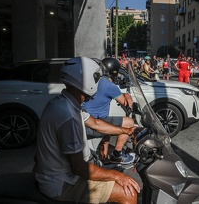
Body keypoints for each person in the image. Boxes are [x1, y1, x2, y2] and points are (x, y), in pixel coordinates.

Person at [35, 57, 140, 204]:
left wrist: (126, 131)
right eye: (96, 79)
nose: (99, 82)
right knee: (129, 193)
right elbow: (79, 167)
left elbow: (96, 123)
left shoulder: (66, 104)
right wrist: (117, 175)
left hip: (58, 175)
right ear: (86, 82)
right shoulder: (68, 116)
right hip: (63, 183)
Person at [83, 57, 136, 164]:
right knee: (129, 123)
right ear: (114, 72)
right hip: (94, 124)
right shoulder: (109, 85)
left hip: (84, 120)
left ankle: (105, 158)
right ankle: (117, 155)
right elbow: (124, 103)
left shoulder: (94, 80)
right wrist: (127, 95)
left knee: (107, 125)